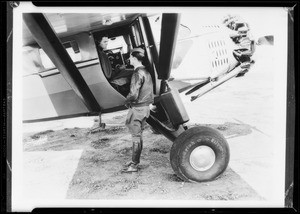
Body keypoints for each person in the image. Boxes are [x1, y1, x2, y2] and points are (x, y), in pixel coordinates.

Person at [122, 47, 154, 173]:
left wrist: (126, 100)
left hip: (138, 109)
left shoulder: (137, 73)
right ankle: (134, 161)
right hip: (145, 108)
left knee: (136, 137)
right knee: (138, 136)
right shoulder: (145, 71)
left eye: (130, 57)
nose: (129, 59)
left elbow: (134, 94)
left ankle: (134, 165)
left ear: (134, 58)